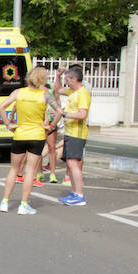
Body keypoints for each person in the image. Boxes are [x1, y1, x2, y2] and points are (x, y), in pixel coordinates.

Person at [0, 67, 62, 215]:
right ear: (42, 79)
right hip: (37, 135)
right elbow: (59, 111)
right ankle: (23, 204)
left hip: (20, 134)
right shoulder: (45, 95)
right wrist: (51, 126)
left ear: (28, 77)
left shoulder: (18, 92)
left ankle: (4, 202)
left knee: (14, 169)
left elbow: (1, 107)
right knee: (30, 170)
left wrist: (8, 124)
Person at [55, 66, 91, 206]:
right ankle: (75, 192)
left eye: (67, 80)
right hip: (70, 132)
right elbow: (58, 90)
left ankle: (79, 194)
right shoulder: (73, 91)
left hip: (77, 133)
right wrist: (58, 76)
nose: (66, 82)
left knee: (73, 163)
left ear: (74, 79)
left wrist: (65, 114)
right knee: (70, 164)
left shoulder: (83, 93)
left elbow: (82, 114)